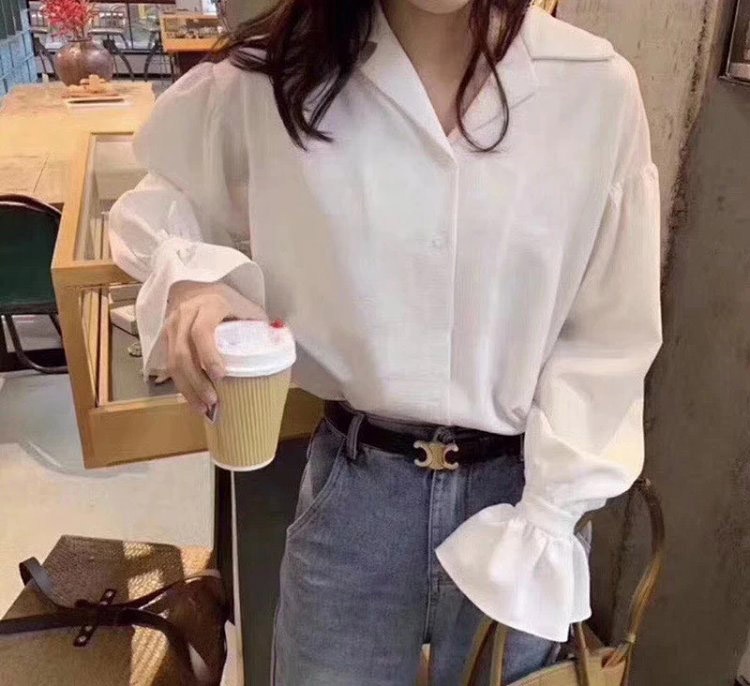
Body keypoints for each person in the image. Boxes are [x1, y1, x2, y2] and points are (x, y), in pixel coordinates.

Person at [108, 0, 662, 683]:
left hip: (525, 498)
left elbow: (609, 331)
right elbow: (162, 196)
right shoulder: (276, 79)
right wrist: (194, 279)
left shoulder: (591, 86)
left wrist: (553, 510)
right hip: (357, 493)